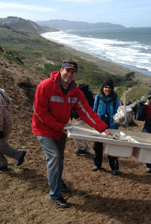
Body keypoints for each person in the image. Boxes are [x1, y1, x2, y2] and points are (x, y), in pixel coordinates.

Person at [32, 60, 113, 208]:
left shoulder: (75, 92)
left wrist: (103, 128)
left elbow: (87, 111)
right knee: (54, 157)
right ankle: (55, 195)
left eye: (73, 72)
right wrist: (59, 126)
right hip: (44, 130)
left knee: (60, 159)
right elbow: (40, 112)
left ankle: (58, 183)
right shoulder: (45, 86)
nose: (69, 74)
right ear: (61, 70)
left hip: (62, 130)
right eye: (67, 71)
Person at [92, 79, 120, 175]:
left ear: (112, 89)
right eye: (105, 87)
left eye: (109, 87)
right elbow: (94, 111)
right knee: (97, 146)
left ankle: (114, 167)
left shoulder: (115, 98)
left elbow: (118, 112)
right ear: (102, 88)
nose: (107, 89)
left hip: (112, 126)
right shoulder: (98, 98)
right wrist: (94, 122)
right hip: (99, 126)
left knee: (112, 147)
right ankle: (97, 164)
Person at [70, 84, 94, 155]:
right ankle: (85, 148)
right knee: (83, 133)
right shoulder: (89, 95)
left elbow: (74, 107)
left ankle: (82, 149)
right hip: (84, 118)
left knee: (76, 133)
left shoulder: (80, 95)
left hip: (79, 118)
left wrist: (77, 116)